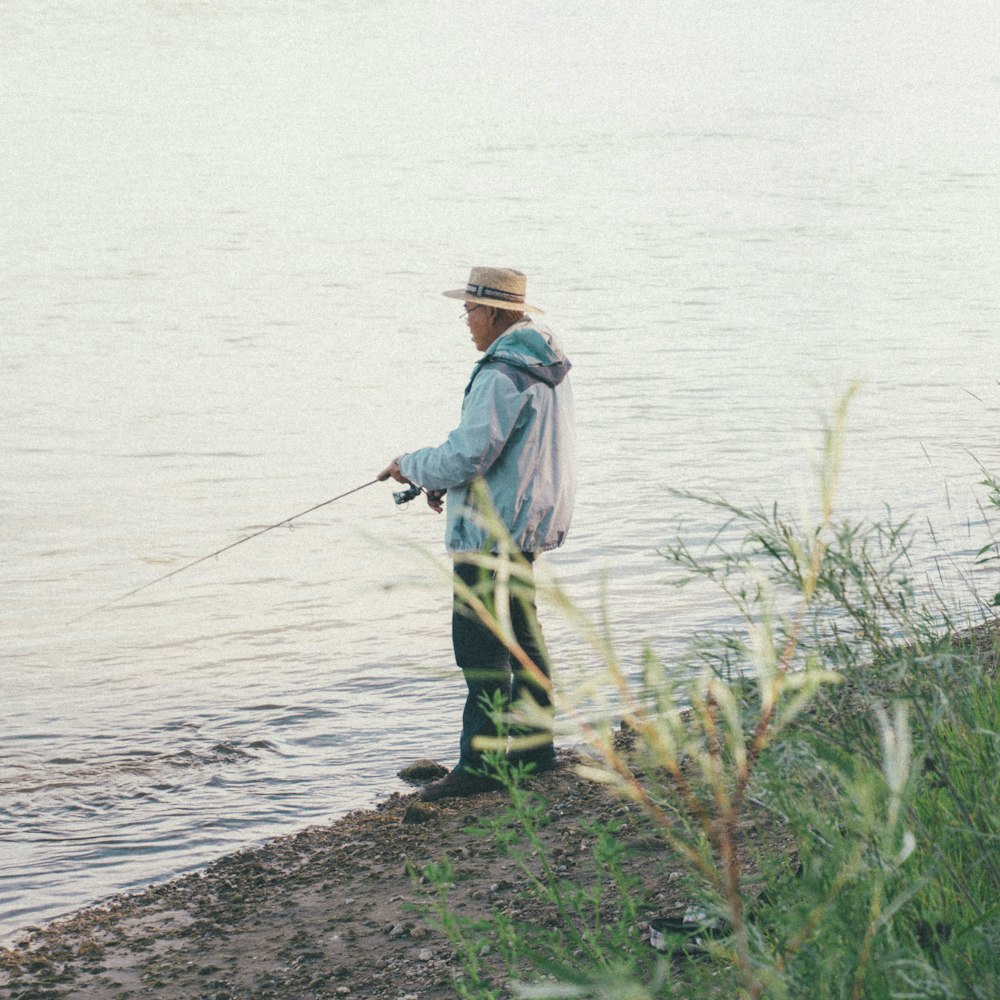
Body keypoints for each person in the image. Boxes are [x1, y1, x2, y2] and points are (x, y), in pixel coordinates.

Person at [378, 266, 576, 801]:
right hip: (524, 522)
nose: (466, 322)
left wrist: (410, 466)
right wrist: (446, 485)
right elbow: (504, 454)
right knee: (523, 637)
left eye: (468, 310)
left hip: (491, 532)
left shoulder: (500, 371)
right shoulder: (541, 363)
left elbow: (470, 451)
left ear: (490, 311)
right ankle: (535, 751)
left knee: (479, 647)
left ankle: (481, 766)